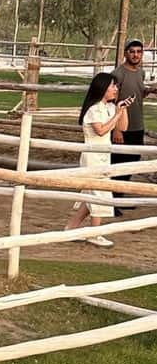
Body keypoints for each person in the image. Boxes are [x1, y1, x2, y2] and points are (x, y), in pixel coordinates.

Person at [65, 72, 134, 246]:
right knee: (99, 194)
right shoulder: (93, 109)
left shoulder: (109, 107)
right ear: (102, 88)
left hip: (104, 156)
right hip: (92, 157)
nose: (115, 89)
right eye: (112, 86)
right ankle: (95, 234)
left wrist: (122, 110)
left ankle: (70, 228)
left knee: (91, 195)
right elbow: (101, 130)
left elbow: (123, 127)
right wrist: (116, 115)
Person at [110, 39, 154, 213]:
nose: (136, 55)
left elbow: (135, 95)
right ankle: (111, 200)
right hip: (121, 127)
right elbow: (112, 102)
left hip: (137, 125)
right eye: (132, 51)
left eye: (139, 51)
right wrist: (117, 129)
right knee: (118, 163)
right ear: (125, 53)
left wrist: (147, 91)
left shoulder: (141, 73)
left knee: (132, 161)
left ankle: (119, 197)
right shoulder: (118, 74)